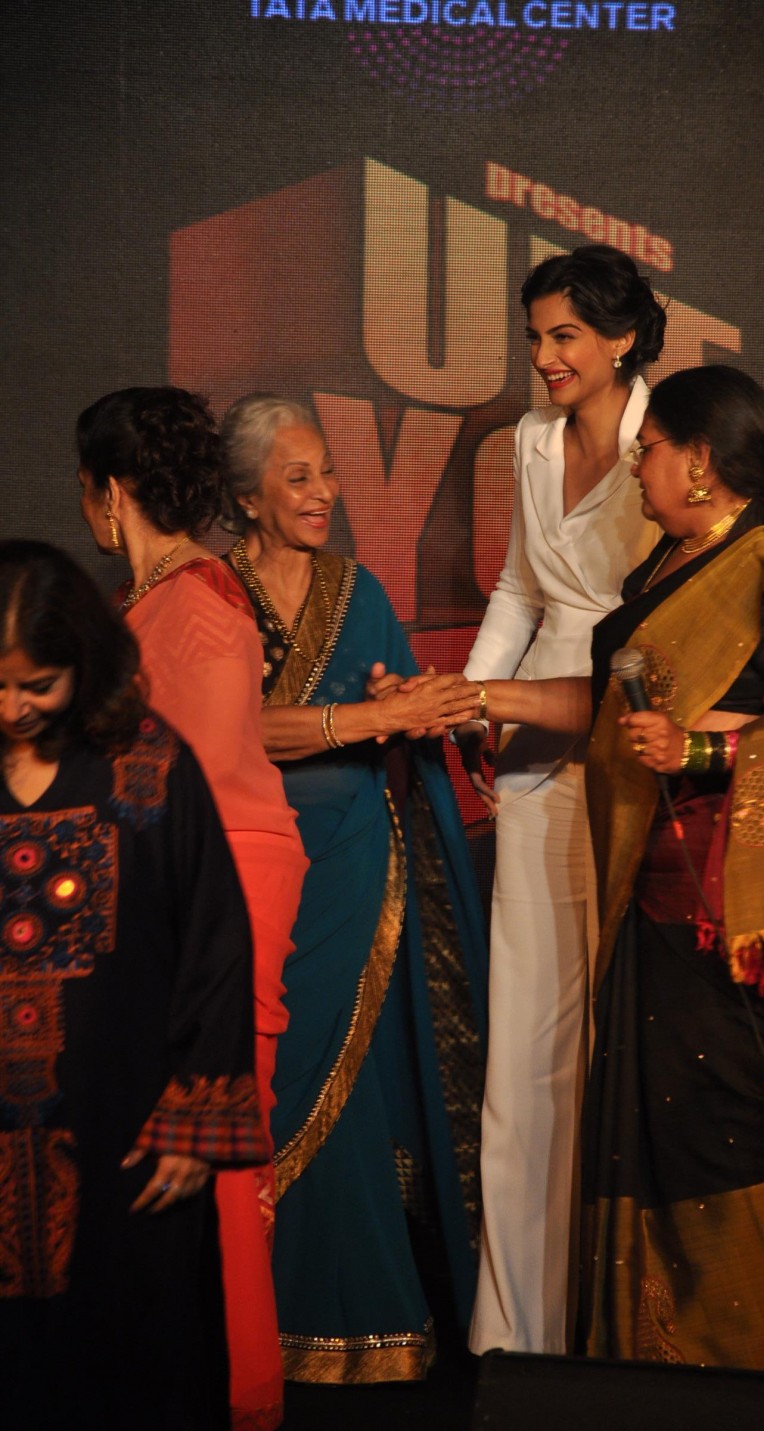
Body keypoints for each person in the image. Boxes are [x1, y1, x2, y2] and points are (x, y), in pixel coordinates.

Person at [474, 364, 764, 1370]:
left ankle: (720, 1375)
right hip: (650, 903)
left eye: (648, 447)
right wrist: (489, 699)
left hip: (718, 923)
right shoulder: (672, 565)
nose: (634, 462)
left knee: (711, 1136)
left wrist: (700, 753)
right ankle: (641, 1370)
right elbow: (615, 714)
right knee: (641, 1132)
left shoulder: (762, 567)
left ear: (699, 463)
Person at [218, 392, 489, 1384]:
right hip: (253, 878)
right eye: (298, 477)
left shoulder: (358, 588)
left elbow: (398, 702)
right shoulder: (210, 595)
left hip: (355, 873)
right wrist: (359, 724)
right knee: (272, 1072)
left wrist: (404, 709)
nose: (324, 490)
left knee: (357, 1080)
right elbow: (227, 730)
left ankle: (363, 1320)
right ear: (246, 498)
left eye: (326, 470)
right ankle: (252, 1316)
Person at [76, 386, 309, 1431]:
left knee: (214, 1146)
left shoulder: (201, 600)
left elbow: (208, 788)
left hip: (220, 897)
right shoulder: (160, 598)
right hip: (181, 894)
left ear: (111, 492)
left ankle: (237, 1392)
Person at [0, 540, 268, 1431]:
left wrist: (196, 1119)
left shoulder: (143, 765)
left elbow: (217, 942)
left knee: (137, 1367)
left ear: (80, 659)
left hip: (130, 1145)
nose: (12, 708)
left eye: (36, 685)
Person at [460, 243, 667, 1355]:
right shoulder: (533, 440)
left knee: (611, 1046)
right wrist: (481, 707)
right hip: (537, 762)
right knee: (522, 1058)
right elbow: (515, 587)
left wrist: (498, 691)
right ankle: (512, 1338)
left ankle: (610, 1329)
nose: (541, 359)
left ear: (622, 337)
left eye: (563, 336)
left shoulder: (667, 444)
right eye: (535, 336)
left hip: (633, 755)